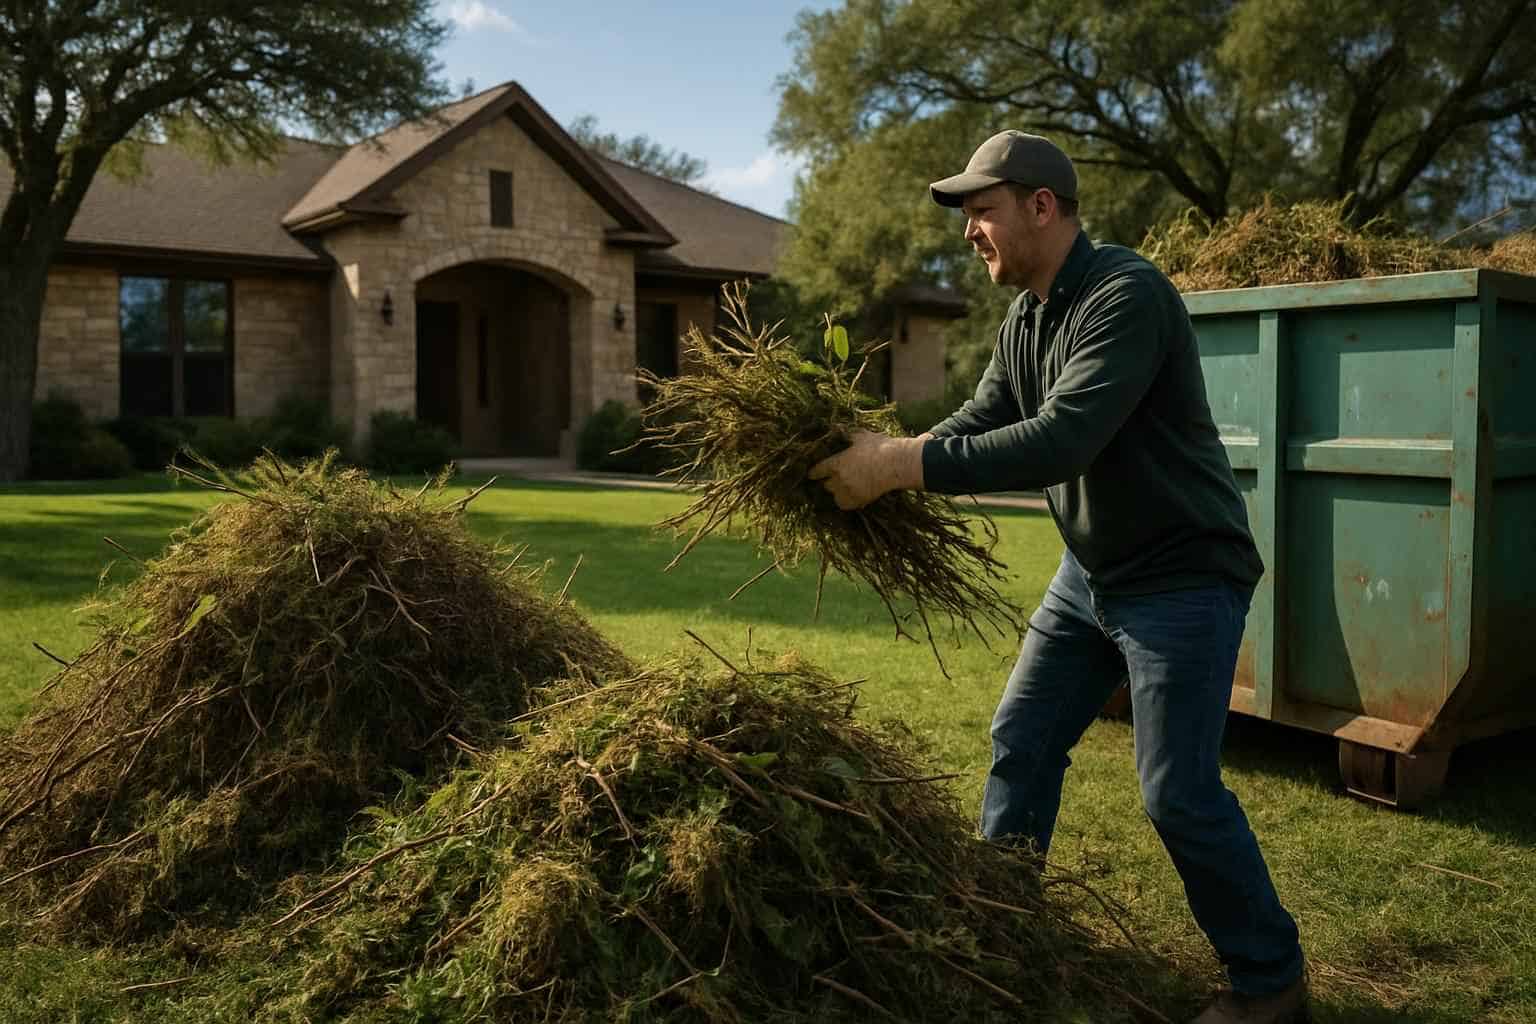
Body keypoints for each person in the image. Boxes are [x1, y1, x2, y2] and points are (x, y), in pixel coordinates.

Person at [807, 130, 1308, 1024]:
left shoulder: (1128, 295)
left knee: (1177, 793)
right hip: (1092, 573)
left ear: (1043, 207)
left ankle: (1271, 985)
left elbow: (1064, 437)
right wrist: (881, 459)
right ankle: (1003, 929)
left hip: (1182, 577)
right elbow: (984, 417)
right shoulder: (1026, 319)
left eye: (983, 212)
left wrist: (898, 466)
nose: (970, 233)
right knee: (1023, 740)